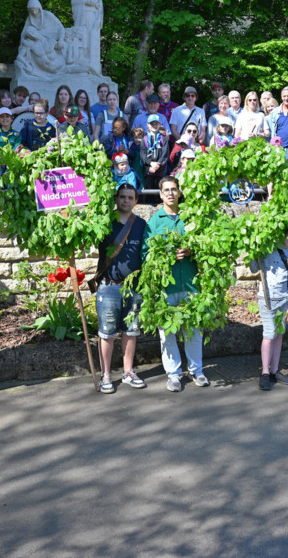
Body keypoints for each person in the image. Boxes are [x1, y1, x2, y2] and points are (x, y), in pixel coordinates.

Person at [143, 176, 209, 391]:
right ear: (161, 194)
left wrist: (193, 251)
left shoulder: (190, 217)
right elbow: (146, 255)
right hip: (166, 287)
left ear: (179, 192)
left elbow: (207, 247)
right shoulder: (155, 222)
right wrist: (168, 255)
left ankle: (196, 371)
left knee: (194, 330)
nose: (170, 193)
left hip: (190, 283)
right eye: (166, 190)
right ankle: (173, 374)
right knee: (168, 333)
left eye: (174, 189)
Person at [94, 183, 148, 393]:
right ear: (116, 199)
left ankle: (128, 372)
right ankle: (106, 375)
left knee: (131, 331)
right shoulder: (104, 222)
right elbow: (84, 241)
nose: (126, 200)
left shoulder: (142, 224)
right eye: (122, 197)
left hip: (134, 287)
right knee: (106, 333)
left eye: (130, 197)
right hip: (109, 287)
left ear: (136, 201)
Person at [252, 226, 288, 391]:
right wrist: (253, 252)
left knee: (279, 334)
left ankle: (274, 370)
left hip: (283, 301)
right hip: (267, 299)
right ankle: (265, 373)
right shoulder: (268, 250)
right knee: (269, 334)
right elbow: (254, 269)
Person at [71, 0, 103, 76]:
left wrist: (99, 19)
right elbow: (74, 3)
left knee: (92, 39)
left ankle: (93, 66)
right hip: (82, 15)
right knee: (82, 38)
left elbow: (100, 7)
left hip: (93, 16)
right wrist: (87, 2)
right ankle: (81, 63)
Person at [141, 114, 170, 190]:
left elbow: (165, 154)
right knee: (149, 189)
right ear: (148, 125)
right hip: (148, 169)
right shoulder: (144, 139)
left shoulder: (164, 139)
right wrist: (150, 163)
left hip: (160, 170)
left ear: (160, 124)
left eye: (156, 123)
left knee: (159, 189)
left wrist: (157, 165)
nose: (154, 125)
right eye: (152, 124)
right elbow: (142, 155)